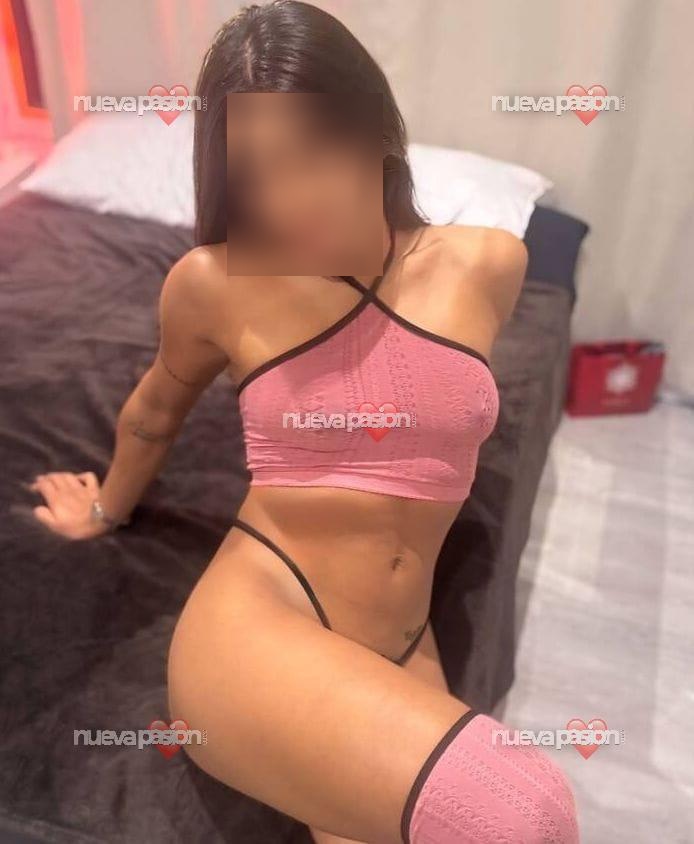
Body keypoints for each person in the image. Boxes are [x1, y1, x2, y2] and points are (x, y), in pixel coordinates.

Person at [31, 3, 579, 842]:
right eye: (256, 172)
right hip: (263, 620)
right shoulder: (215, 282)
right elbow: (152, 413)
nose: (289, 200)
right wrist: (104, 509)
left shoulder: (488, 263)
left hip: (402, 639)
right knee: (523, 808)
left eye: (313, 153)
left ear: (376, 132)